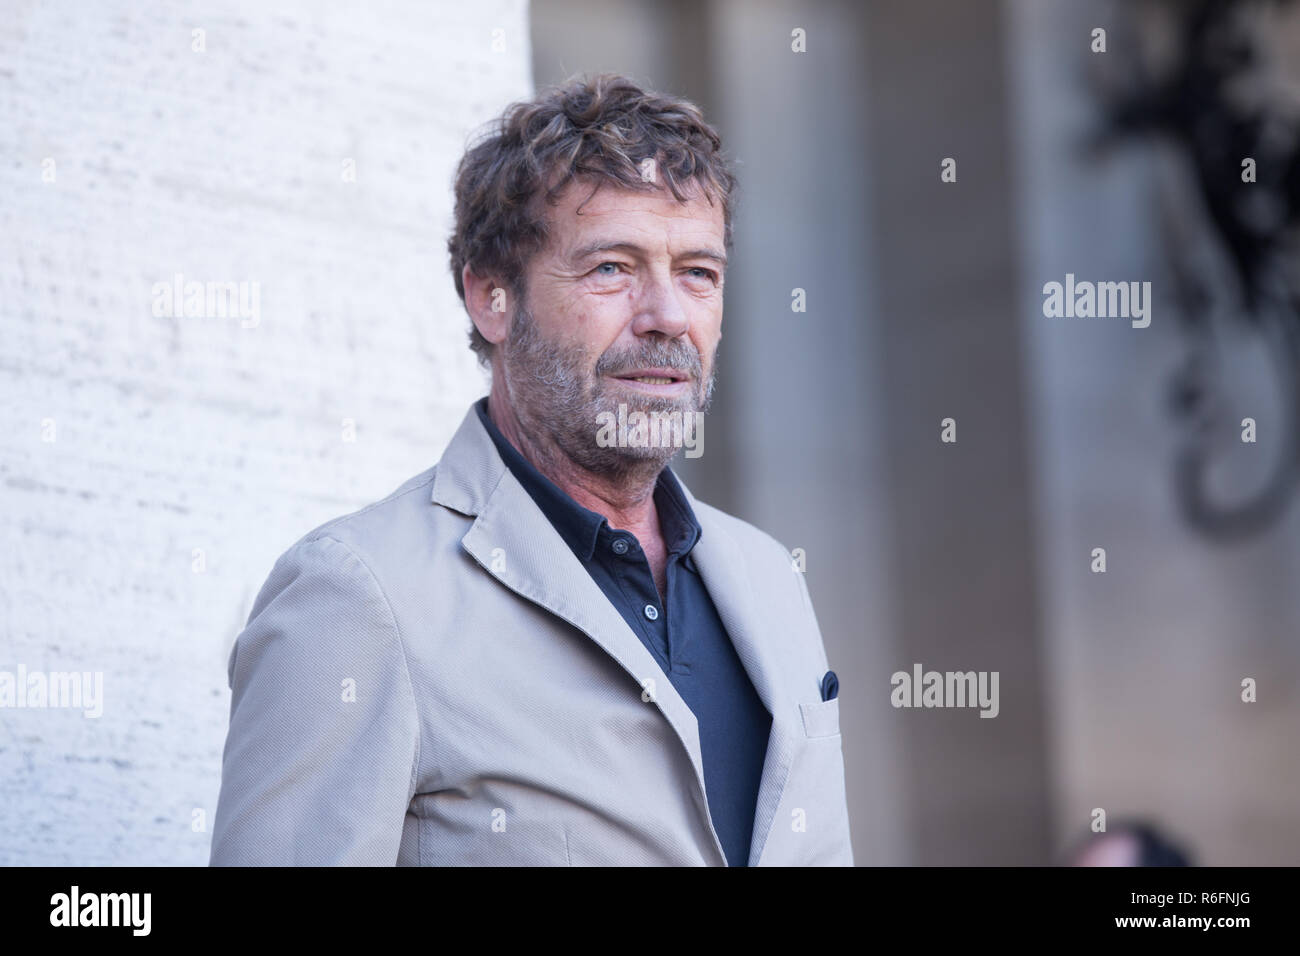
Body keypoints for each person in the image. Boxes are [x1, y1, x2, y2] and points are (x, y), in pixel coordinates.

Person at [210, 73, 853, 867]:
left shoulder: (769, 579)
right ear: (491, 298)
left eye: (698, 273)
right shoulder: (356, 597)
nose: (667, 317)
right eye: (612, 268)